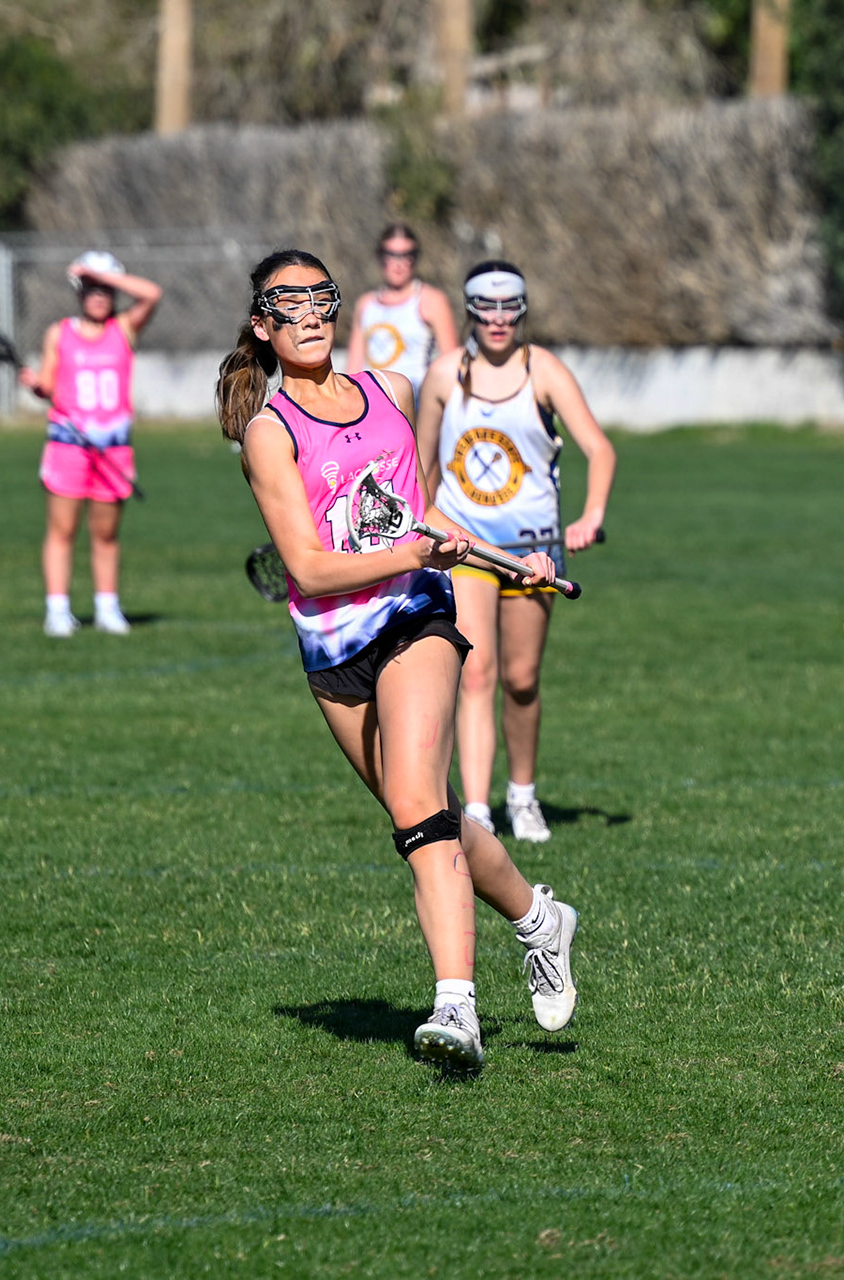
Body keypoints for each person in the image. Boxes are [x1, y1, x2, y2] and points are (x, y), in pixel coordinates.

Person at [215, 248, 578, 1071]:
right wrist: (413, 550)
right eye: (288, 303)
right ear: (262, 326)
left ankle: (457, 1009)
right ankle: (540, 920)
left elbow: (423, 511)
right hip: (333, 643)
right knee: (429, 816)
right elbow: (310, 569)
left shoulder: (392, 390)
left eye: (321, 297)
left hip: (416, 615)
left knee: (418, 807)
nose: (310, 314)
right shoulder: (269, 434)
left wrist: (509, 561)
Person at [416, 261, 616, 843]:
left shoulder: (543, 370)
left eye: (509, 306)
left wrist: (591, 515)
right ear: (469, 310)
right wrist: (420, 529)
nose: (498, 318)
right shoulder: (443, 377)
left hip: (535, 555)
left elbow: (599, 449)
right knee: (476, 672)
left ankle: (522, 797)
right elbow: (420, 466)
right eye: (486, 306)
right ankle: (478, 810)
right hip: (468, 549)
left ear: (523, 310)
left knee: (522, 680)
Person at [20, 251, 162, 638]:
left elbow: (152, 293)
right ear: (79, 293)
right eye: (90, 288)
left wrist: (100, 274)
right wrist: (37, 386)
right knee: (62, 530)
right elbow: (48, 385)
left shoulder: (124, 328)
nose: (99, 296)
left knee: (106, 534)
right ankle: (57, 611)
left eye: (105, 289)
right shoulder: (60, 333)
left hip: (113, 448)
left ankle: (107, 609)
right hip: (68, 445)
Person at [347, 223, 459, 404]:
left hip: (414, 400)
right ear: (380, 257)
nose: (398, 264)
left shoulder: (431, 300)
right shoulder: (366, 304)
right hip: (372, 400)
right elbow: (353, 368)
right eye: (391, 255)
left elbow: (451, 364)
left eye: (406, 255)